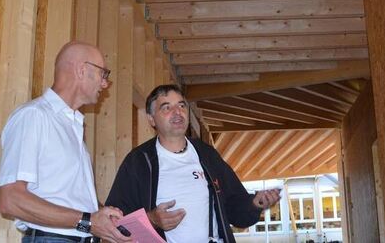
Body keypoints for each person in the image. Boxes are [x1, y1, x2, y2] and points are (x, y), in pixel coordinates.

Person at [106, 84, 281, 243]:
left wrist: (254, 204)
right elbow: (116, 221)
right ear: (151, 119)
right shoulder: (139, 161)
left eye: (181, 105)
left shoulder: (207, 155)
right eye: (166, 107)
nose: (177, 112)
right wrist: (152, 219)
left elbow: (235, 210)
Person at [0, 41, 132, 243]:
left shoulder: (71, 126)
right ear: (81, 70)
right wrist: (88, 221)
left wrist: (100, 214)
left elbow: (62, 197)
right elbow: (10, 200)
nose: (104, 84)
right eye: (102, 74)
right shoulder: (34, 116)